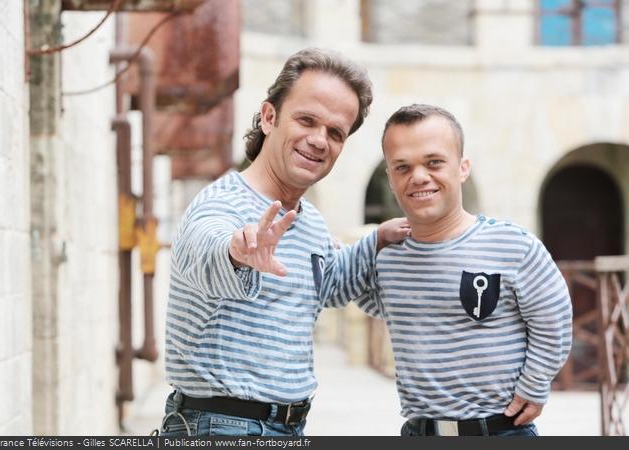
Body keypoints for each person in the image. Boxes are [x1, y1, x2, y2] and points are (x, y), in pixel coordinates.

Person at [158, 48, 410, 437]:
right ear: (269, 117)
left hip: (284, 426)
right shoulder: (222, 203)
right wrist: (237, 254)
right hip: (220, 426)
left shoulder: (309, 222)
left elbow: (330, 283)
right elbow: (205, 252)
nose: (319, 141)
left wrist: (378, 240)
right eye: (307, 120)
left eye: (335, 132)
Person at [356, 104, 572, 436]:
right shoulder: (388, 258)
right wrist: (373, 241)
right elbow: (345, 288)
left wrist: (535, 383)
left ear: (462, 167)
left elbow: (554, 318)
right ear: (391, 177)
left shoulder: (514, 246)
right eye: (402, 167)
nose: (419, 176)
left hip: (502, 430)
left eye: (434, 162)